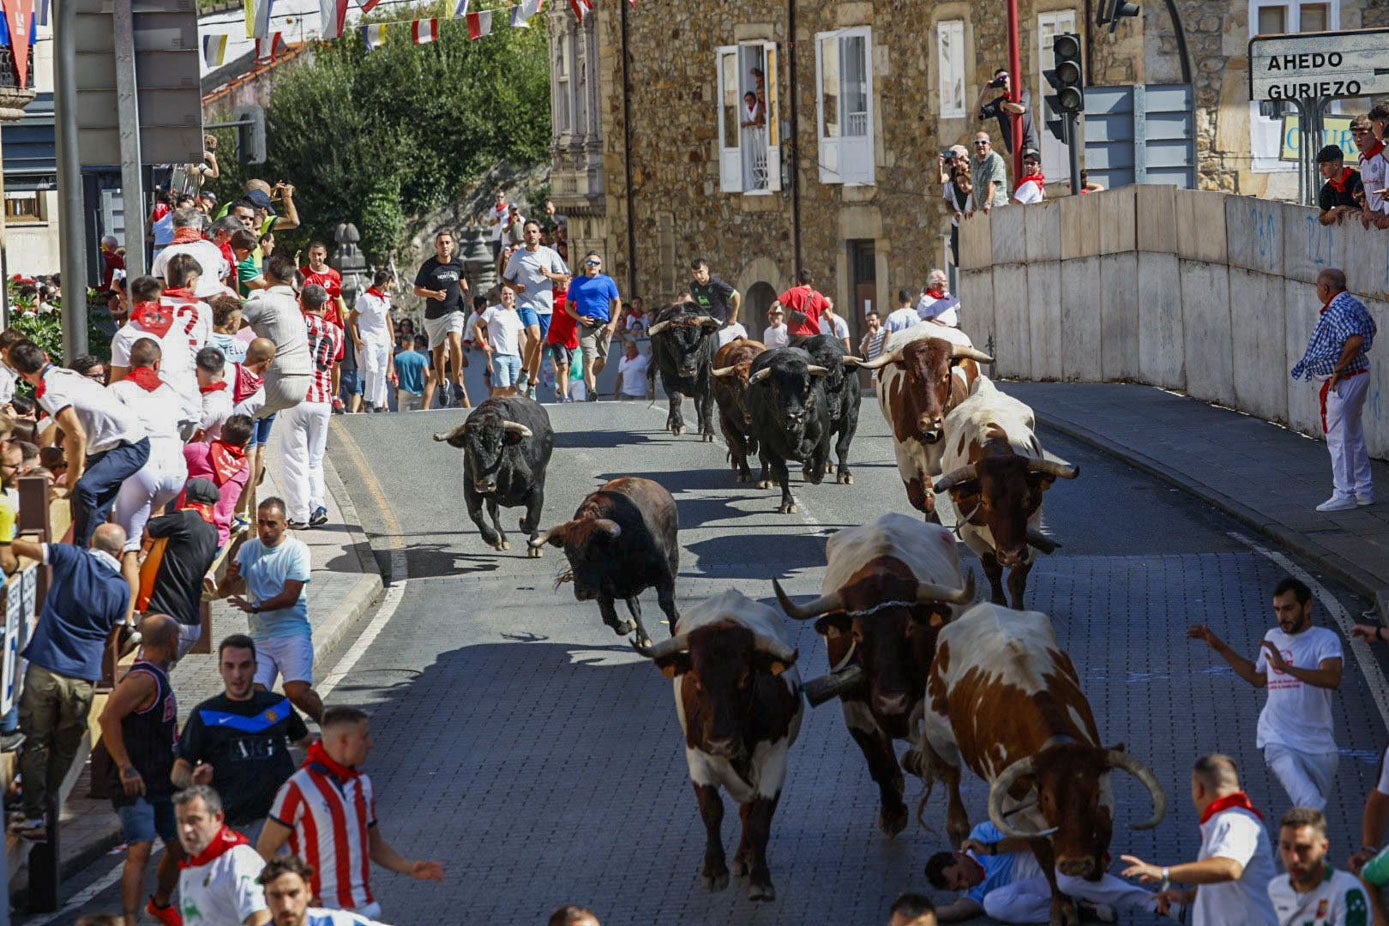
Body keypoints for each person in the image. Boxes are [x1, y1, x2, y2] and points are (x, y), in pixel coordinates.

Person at [258, 707, 445, 917]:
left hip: (362, 906)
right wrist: (298, 893)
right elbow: (266, 847)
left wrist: (409, 868)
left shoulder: (362, 784)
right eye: (364, 737)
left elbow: (373, 844)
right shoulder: (298, 788)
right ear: (343, 742)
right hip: (319, 911)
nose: (370, 744)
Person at [8, 524, 131, 839]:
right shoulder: (121, 588)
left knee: (34, 742)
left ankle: (34, 815)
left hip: (45, 668)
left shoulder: (71, 557)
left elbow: (26, 548)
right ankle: (44, 803)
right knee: (64, 749)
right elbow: (111, 639)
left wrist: (11, 549)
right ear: (118, 552)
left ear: (91, 542)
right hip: (82, 679)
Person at [1187, 577, 1342, 810]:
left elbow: (1332, 678)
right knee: (1309, 804)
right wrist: (1220, 646)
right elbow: (1258, 677)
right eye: (1277, 610)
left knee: (1310, 816)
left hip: (1320, 747)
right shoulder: (1273, 637)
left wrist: (1287, 669)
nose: (1282, 617)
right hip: (1277, 738)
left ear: (1307, 606)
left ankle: (1293, 846)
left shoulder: (1325, 639)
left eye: (1288, 608)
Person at [10, 340, 150, 548]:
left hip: (126, 446)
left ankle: (81, 551)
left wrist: (71, 481)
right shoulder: (63, 374)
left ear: (22, 375)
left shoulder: (49, 391)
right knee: (93, 508)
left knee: (84, 490)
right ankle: (93, 554)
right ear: (46, 356)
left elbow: (76, 436)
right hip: (114, 446)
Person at [173, 635, 312, 837]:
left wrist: (308, 782)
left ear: (255, 667)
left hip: (280, 822)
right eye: (230, 666)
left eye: (244, 666)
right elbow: (178, 770)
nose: (237, 674)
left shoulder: (277, 706)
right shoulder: (205, 715)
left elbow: (310, 745)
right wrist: (194, 782)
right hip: (232, 827)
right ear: (220, 668)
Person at [95, 613, 183, 926]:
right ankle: (131, 920)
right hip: (137, 782)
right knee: (140, 848)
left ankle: (160, 903)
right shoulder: (143, 679)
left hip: (161, 779)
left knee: (179, 848)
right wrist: (125, 767)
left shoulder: (157, 674)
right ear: (171, 641)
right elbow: (107, 718)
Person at [1120, 753, 1278, 926]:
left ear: (1199, 790)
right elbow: (1224, 879)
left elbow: (1230, 868)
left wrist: (1164, 873)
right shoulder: (1228, 821)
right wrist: (1188, 896)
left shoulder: (1236, 821)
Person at [926, 819, 1172, 923]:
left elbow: (1034, 837)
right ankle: (1076, 910)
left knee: (1072, 878)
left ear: (958, 856)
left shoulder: (982, 834)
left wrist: (992, 849)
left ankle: (1154, 903)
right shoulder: (974, 892)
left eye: (959, 877)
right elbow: (958, 912)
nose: (963, 884)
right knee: (992, 905)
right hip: (1042, 888)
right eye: (957, 887)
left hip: (1053, 863)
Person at [108, 338, 192, 616]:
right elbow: (188, 425)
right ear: (158, 364)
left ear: (130, 362)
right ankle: (154, 602)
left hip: (141, 469)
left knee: (129, 548)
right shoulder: (171, 391)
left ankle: (128, 620)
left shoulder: (117, 390)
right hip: (175, 468)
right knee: (152, 528)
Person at [224, 497, 323, 723]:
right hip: (260, 638)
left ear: (285, 524)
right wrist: (228, 580)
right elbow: (225, 590)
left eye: (271, 524)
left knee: (296, 691)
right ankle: (276, 735)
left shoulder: (297, 551)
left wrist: (255, 606)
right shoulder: (248, 549)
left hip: (292, 634)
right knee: (254, 697)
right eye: (261, 523)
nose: (265, 530)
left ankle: (328, 724)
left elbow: (290, 596)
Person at [1291, 268, 1377, 511]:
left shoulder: (1338, 308)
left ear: (1326, 289)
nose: (1317, 290)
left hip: (1345, 379)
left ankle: (1344, 493)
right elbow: (1370, 329)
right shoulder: (1352, 303)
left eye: (1318, 286)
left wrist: (1338, 369)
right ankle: (1363, 490)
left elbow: (1356, 338)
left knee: (1339, 438)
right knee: (1353, 434)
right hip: (1356, 375)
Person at [281, 285, 341, 529]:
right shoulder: (336, 332)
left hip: (297, 397)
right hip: (322, 399)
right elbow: (335, 361)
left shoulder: (294, 323)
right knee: (315, 459)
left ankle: (299, 514)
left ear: (302, 303)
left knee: (295, 458)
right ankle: (318, 506)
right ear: (325, 306)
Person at [139, 478, 221, 657]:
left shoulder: (184, 518)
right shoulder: (212, 532)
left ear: (189, 497)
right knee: (157, 677)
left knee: (143, 676)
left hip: (166, 622)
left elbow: (145, 530)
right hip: (190, 624)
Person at [173, 785, 272, 926]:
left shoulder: (239, 861)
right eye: (181, 822)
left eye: (194, 820)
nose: (186, 829)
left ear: (218, 818)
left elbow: (262, 919)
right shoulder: (190, 869)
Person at [1268, 807, 1369, 926]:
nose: (1294, 858)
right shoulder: (1275, 889)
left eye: (1303, 848)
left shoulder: (1347, 892)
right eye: (1286, 847)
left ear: (1324, 847)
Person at [504, 220, 570, 400]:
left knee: (539, 346)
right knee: (533, 336)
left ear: (540, 235)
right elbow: (506, 279)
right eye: (527, 232)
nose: (531, 235)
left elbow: (565, 276)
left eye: (534, 231)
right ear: (524, 236)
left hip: (545, 305)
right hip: (525, 302)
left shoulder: (550, 254)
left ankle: (532, 384)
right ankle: (524, 372)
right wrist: (515, 287)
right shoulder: (517, 257)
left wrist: (549, 275)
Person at [413, 230, 472, 409]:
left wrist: (467, 294)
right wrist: (434, 294)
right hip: (434, 316)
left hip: (455, 311)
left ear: (452, 245)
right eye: (441, 243)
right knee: (438, 353)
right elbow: (417, 290)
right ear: (436, 246)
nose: (445, 246)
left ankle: (456, 381)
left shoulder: (457, 264)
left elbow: (462, 281)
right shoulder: (429, 266)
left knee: (455, 341)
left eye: (447, 243)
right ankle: (441, 385)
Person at [184, 414, 254, 548]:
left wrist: (193, 441)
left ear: (221, 429)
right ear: (245, 443)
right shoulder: (244, 469)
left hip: (187, 531)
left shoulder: (197, 451)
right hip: (216, 541)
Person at [259, 856, 388, 926]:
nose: (286, 905)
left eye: (293, 894)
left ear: (308, 891)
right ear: (265, 898)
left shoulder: (338, 923)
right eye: (276, 896)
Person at [567, 251, 621, 402]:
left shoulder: (607, 281)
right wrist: (580, 318)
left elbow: (617, 302)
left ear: (600, 266)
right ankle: (593, 390)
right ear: (584, 265)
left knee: (602, 360)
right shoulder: (577, 283)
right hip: (585, 326)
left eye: (595, 263)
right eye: (589, 262)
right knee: (589, 360)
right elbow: (568, 306)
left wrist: (613, 323)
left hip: (603, 326)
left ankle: (589, 377)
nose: (592, 265)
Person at [151, 206, 228, 298]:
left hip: (179, 308)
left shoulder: (164, 254)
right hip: (212, 306)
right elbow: (222, 281)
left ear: (174, 230)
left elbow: (160, 291)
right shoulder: (213, 249)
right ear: (199, 229)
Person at [348, 271, 395, 413]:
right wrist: (356, 339)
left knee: (381, 371)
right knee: (372, 368)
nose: (391, 285)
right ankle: (368, 399)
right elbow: (352, 319)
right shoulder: (365, 299)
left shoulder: (386, 298)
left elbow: (387, 318)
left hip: (383, 338)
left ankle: (378, 403)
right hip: (369, 337)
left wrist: (392, 338)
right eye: (390, 282)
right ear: (385, 283)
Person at [475, 287, 526, 398]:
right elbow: (477, 326)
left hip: (515, 356)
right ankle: (490, 410)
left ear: (514, 297)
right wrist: (484, 346)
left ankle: (510, 413)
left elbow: (522, 337)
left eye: (510, 294)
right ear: (500, 296)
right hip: (499, 355)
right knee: (501, 388)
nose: (507, 296)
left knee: (514, 389)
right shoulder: (492, 311)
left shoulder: (516, 313)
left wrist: (527, 360)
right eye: (505, 294)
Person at [977, 68, 1038, 156]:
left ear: (1010, 78)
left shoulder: (1023, 93)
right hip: (1013, 149)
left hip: (1028, 145)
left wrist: (1005, 105)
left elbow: (1021, 109)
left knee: (1028, 168)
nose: (1001, 80)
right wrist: (983, 93)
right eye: (998, 79)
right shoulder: (998, 102)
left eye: (1004, 77)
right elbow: (978, 115)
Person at [546, 284, 581, 401]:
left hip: (571, 337)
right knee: (563, 365)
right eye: (561, 281)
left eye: (566, 281)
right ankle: (564, 396)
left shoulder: (575, 292)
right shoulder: (551, 293)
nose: (563, 284)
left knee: (568, 367)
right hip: (555, 335)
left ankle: (561, 389)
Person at [776, 269, 830, 340]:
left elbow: (776, 303)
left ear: (798, 281)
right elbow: (829, 317)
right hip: (812, 335)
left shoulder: (792, 291)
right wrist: (834, 332)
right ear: (812, 281)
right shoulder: (818, 296)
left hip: (795, 334)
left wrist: (771, 312)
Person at [1318, 145, 1364, 226]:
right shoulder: (1327, 190)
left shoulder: (1358, 180)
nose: (1320, 169)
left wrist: (1346, 208)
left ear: (1336, 165)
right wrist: (1335, 211)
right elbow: (1322, 219)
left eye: (1324, 165)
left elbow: (1373, 210)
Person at [195, 346, 233, 442]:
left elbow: (191, 433)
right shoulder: (226, 394)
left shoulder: (211, 404)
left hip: (206, 453)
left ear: (196, 372)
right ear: (223, 373)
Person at [689, 258, 742, 327]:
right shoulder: (693, 286)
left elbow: (736, 295)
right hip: (703, 322)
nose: (698, 276)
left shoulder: (717, 284)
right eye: (695, 273)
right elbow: (696, 302)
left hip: (719, 322)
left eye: (700, 272)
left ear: (707, 269)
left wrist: (734, 316)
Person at [969, 132, 1010, 214]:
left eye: (983, 142)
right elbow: (974, 185)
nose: (980, 145)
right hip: (981, 209)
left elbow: (993, 182)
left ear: (990, 145)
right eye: (977, 142)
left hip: (996, 208)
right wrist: (973, 208)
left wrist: (988, 202)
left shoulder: (995, 159)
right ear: (973, 145)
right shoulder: (973, 160)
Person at [393, 335, 431, 412]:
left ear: (404, 342)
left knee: (403, 419)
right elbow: (427, 374)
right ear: (413, 343)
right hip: (418, 392)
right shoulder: (421, 358)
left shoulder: (398, 357)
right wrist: (425, 389)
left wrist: (396, 392)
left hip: (403, 390)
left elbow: (394, 376)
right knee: (418, 418)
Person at [740, 90, 769, 189]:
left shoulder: (759, 106)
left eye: (750, 99)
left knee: (765, 158)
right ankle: (760, 181)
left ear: (754, 99)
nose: (748, 102)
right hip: (756, 137)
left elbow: (758, 120)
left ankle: (766, 181)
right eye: (746, 100)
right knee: (758, 159)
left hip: (763, 135)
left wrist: (747, 123)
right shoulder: (747, 108)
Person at [487, 190, 509, 262]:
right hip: (496, 236)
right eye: (498, 197)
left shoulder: (508, 208)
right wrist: (496, 220)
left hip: (506, 237)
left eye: (501, 197)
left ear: (504, 198)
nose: (500, 198)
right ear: (495, 198)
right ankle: (498, 273)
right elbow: (490, 223)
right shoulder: (493, 210)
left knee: (506, 257)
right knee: (496, 258)